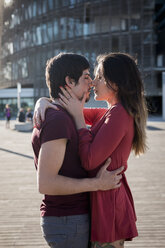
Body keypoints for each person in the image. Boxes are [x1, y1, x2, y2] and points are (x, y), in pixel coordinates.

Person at [34, 52, 147, 248]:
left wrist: (78, 120)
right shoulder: (111, 111)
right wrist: (43, 101)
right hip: (101, 197)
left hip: (108, 202)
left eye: (100, 77)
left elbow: (89, 161)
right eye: (91, 77)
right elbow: (67, 107)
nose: (94, 82)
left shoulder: (120, 114)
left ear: (116, 83)